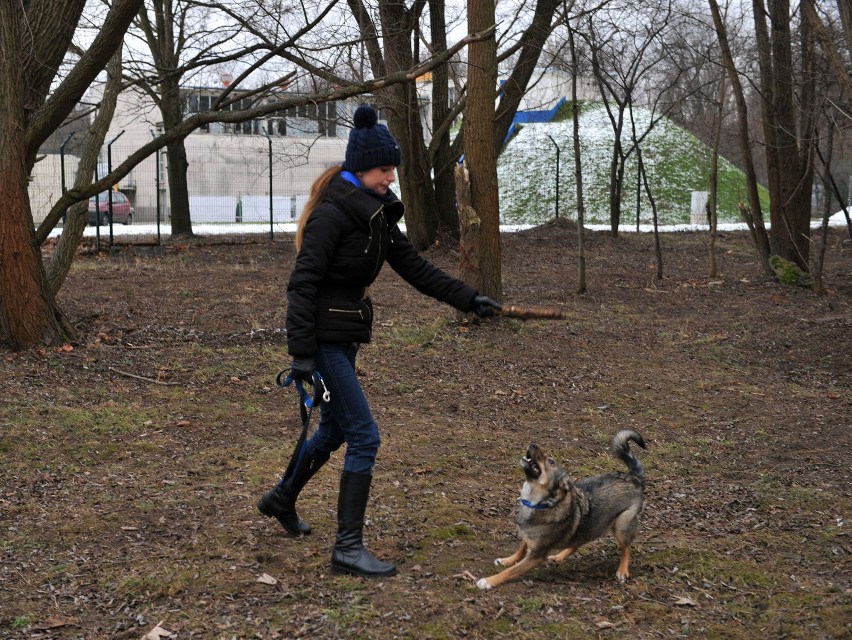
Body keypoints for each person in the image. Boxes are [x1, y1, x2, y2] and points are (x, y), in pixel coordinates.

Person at [257, 104, 500, 578]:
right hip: (324, 342)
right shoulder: (333, 215)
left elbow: (416, 268)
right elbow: (302, 284)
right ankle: (348, 549)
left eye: (393, 169)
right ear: (361, 168)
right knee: (364, 436)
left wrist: (468, 298)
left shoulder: (377, 216)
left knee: (334, 431)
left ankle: (282, 498)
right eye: (385, 169)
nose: (392, 177)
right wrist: (302, 354)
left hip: (343, 337)